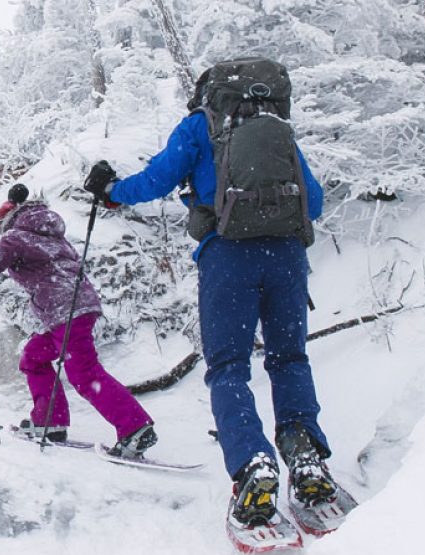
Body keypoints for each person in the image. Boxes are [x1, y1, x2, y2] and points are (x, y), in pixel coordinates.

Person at [83, 64, 338, 527]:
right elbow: (314, 202)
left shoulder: (199, 125)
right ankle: (306, 459)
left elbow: (156, 180)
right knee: (289, 359)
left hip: (227, 257)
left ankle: (253, 465)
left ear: (206, 93)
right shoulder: (276, 129)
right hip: (286, 257)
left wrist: (111, 192)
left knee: (228, 368)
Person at [0, 183, 157, 458]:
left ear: (7, 221)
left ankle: (135, 428)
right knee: (33, 356)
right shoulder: (51, 234)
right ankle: (50, 421)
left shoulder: (16, 237)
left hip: (65, 311)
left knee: (84, 373)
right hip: (77, 308)